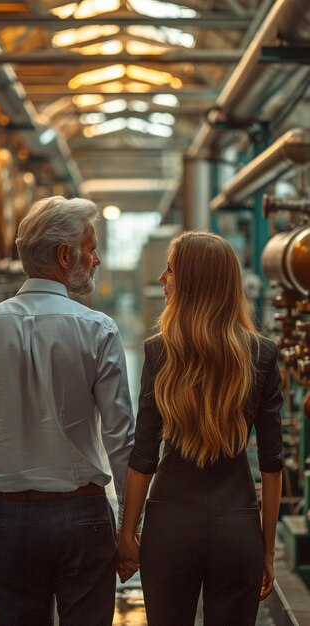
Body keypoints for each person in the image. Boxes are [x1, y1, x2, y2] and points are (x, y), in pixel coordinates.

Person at [0, 196, 135, 626]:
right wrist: (131, 527)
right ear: (64, 255)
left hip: (10, 521)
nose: (95, 259)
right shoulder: (97, 329)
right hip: (84, 520)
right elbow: (121, 438)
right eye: (91, 248)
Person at [118, 231, 284, 626]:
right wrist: (266, 548)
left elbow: (144, 456)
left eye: (170, 270)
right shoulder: (261, 353)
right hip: (237, 525)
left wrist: (127, 532)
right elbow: (272, 464)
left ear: (194, 281)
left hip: (170, 527)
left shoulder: (160, 352)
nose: (162, 278)